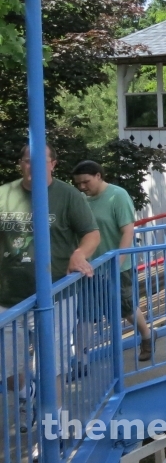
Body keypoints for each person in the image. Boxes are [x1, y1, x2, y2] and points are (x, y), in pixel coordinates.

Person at [0, 144, 99, 431]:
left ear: (53, 164)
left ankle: (51, 425)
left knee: (50, 366)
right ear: (21, 164)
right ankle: (25, 396)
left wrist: (79, 254)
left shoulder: (67, 195)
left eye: (41, 162)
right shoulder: (5, 194)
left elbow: (91, 234)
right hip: (8, 295)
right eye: (28, 161)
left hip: (56, 294)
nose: (33, 167)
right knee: (7, 368)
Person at [71, 160, 154, 362]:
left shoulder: (118, 195)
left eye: (86, 182)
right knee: (85, 313)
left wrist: (118, 260)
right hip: (89, 266)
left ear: (98, 176)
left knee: (125, 308)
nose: (82, 187)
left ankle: (147, 336)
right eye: (78, 183)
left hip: (116, 265)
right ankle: (81, 360)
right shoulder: (81, 199)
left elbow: (127, 231)